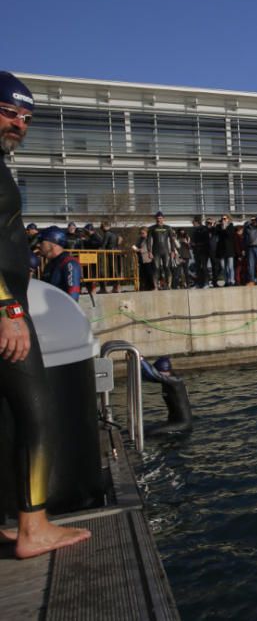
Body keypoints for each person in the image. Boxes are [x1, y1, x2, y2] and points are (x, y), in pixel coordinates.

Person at [0, 71, 91, 558]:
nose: (18, 123)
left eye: (26, 117)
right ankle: (34, 528)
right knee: (37, 413)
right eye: (9, 112)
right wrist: (9, 309)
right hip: (5, 311)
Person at [139, 356, 193, 435]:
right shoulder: (166, 379)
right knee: (143, 430)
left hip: (182, 424)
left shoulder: (175, 380)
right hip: (172, 422)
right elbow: (147, 375)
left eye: (158, 371)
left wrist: (141, 359)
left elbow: (154, 374)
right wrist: (134, 363)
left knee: (147, 434)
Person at [37, 226, 82, 302]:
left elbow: (73, 297)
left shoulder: (69, 263)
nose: (38, 245)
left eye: (41, 241)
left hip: (63, 312)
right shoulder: (49, 265)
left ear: (53, 243)